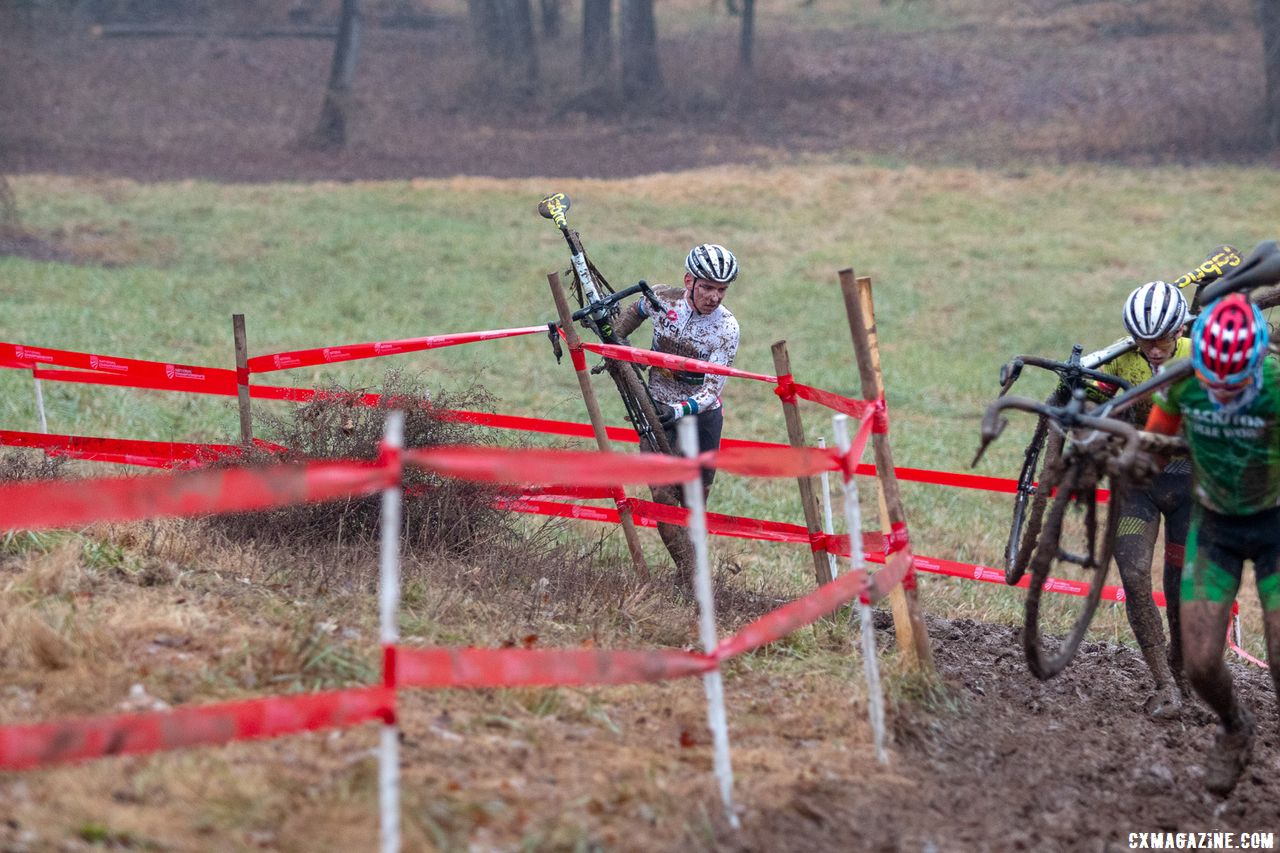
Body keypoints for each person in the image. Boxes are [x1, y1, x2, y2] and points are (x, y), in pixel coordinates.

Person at [1144, 293, 1280, 795]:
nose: (1221, 393)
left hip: (1276, 526)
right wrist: (1123, 457)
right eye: (1213, 382)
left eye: (1235, 383)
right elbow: (1154, 453)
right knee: (1200, 662)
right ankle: (1235, 726)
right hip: (1216, 529)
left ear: (1258, 360)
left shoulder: (1278, 388)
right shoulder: (1182, 386)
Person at [1087, 281, 1194, 718]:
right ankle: (1164, 683)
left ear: (1179, 331)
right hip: (1136, 488)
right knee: (1132, 577)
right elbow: (1086, 403)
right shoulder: (1120, 359)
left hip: (1192, 488)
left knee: (1180, 588)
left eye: (1163, 339)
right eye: (1144, 340)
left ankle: (1184, 673)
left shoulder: (1201, 355)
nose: (1153, 349)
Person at [613, 242, 741, 498]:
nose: (714, 297)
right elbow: (635, 312)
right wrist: (621, 344)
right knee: (661, 492)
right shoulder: (661, 298)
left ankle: (694, 539)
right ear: (688, 281)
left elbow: (712, 391)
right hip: (657, 406)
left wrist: (680, 410)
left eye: (722, 290)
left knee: (692, 498)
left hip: (701, 417)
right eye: (706, 287)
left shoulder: (726, 328)